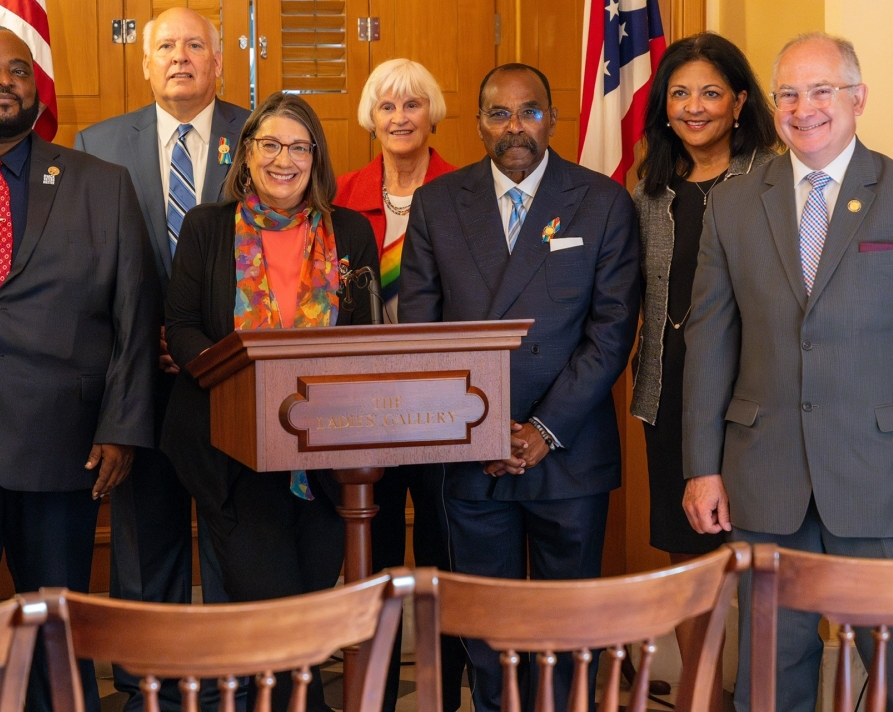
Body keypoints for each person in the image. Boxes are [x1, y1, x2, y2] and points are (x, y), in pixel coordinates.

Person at [681, 32, 893, 712]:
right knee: (768, 675)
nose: (803, 107)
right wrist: (703, 463)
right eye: (788, 92)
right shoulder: (732, 202)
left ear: (858, 99)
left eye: (822, 90)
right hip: (765, 477)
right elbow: (709, 340)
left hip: (885, 480)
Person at [0, 27, 159, 712]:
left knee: (60, 640)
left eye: (18, 70)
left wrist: (123, 426)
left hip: (67, 446)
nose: (3, 80)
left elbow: (134, 315)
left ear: (37, 85)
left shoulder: (100, 185)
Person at [398, 63, 641, 712]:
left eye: (529, 111)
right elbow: (423, 331)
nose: (514, 126)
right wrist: (483, 428)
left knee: (565, 630)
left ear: (552, 119)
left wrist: (541, 430)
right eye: (499, 113)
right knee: (489, 629)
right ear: (478, 123)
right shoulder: (438, 203)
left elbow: (612, 331)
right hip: (472, 455)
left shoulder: (602, 201)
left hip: (569, 452)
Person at [164, 91, 379, 712]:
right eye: (271, 145)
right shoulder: (208, 227)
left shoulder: (350, 231)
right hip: (234, 451)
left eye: (298, 147)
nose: (284, 159)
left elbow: (364, 338)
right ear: (247, 153)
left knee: (311, 606)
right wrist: (245, 388)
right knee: (273, 612)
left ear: (316, 157)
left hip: (326, 455)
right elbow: (180, 327)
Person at [74, 7, 243, 712]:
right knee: (147, 546)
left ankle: (240, 681)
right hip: (138, 379)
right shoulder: (98, 143)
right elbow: (88, 269)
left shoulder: (259, 137)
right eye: (166, 46)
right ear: (144, 64)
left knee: (237, 540)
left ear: (218, 62)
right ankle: (155, 690)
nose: (180, 57)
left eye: (195, 45)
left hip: (234, 378)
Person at [629, 33, 778, 699]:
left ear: (740, 102)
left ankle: (759, 691)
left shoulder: (774, 179)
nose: (694, 107)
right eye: (680, 93)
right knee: (690, 559)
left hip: (758, 401)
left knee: (754, 558)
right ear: (663, 105)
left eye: (711, 93)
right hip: (670, 395)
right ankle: (702, 695)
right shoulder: (646, 189)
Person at [334, 58, 460, 712]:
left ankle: (447, 693)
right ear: (371, 118)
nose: (401, 117)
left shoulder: (465, 190)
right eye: (388, 106)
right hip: (366, 405)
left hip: (443, 403)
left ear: (432, 113)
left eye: (413, 104)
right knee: (372, 554)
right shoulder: (342, 193)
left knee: (446, 552)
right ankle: (372, 695)